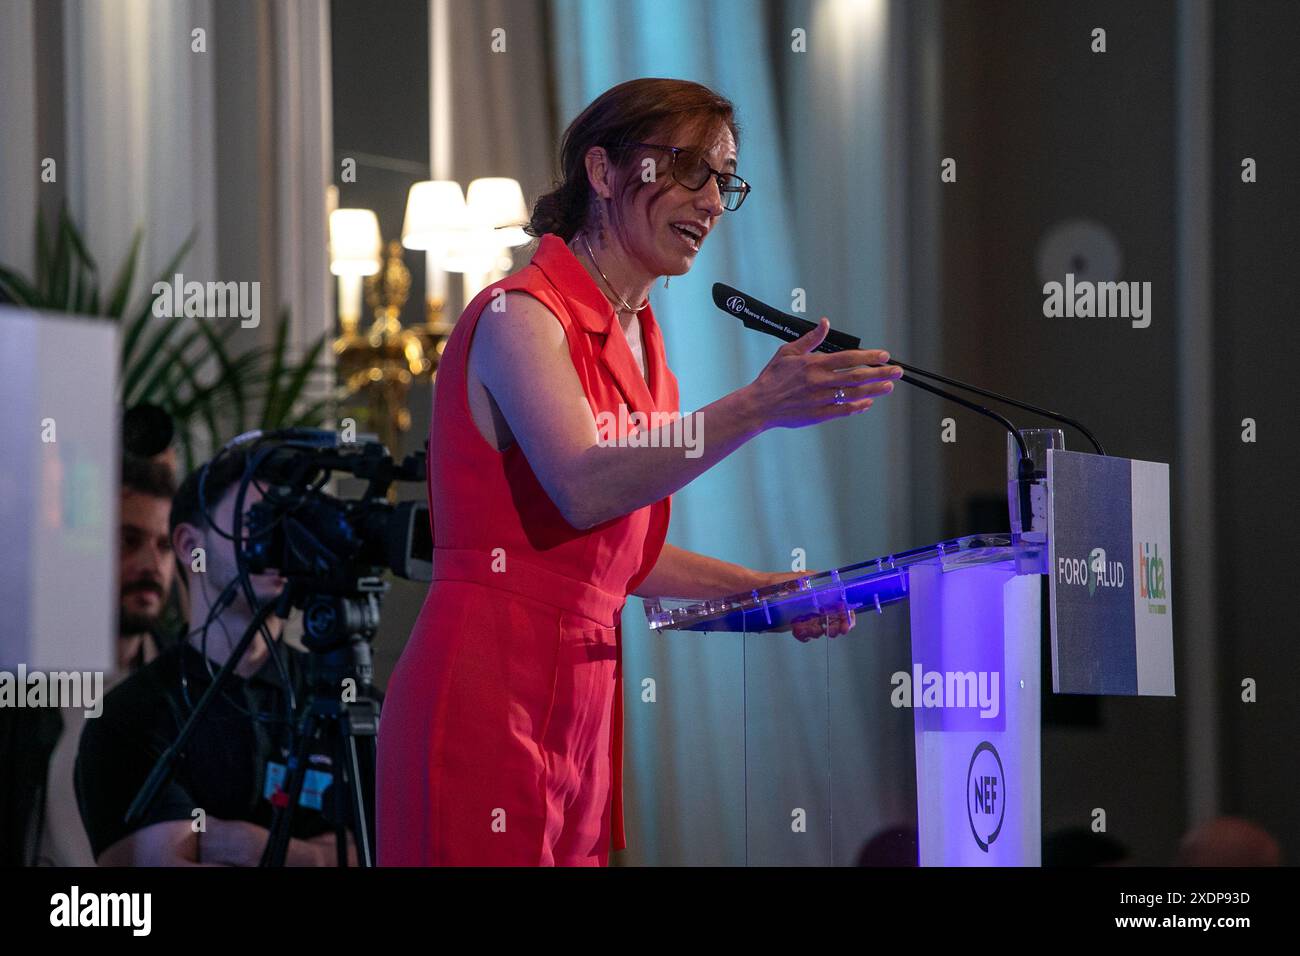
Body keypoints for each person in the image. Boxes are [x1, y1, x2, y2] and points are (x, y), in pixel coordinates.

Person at [376, 77, 903, 866]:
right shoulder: (520, 315)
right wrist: (757, 405)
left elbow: (624, 557)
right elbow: (583, 487)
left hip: (586, 695)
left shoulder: (646, 345)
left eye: (725, 179)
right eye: (690, 167)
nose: (713, 200)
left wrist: (773, 591)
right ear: (601, 170)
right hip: (487, 684)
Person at [75, 449, 355, 866]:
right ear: (191, 547)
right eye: (257, 523)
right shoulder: (133, 717)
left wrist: (279, 855)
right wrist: (323, 854)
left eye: (289, 524)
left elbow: (403, 847)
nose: (279, 542)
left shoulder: (344, 697)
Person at [33, 455, 182, 866]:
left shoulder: (188, 682)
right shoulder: (25, 677)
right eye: (128, 541)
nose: (152, 566)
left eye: (164, 546)